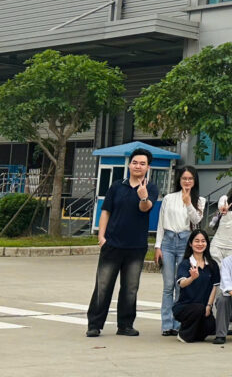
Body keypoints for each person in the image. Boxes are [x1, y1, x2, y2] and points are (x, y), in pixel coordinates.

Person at [86, 147, 159, 337]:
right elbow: (106, 211)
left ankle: (125, 325)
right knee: (103, 286)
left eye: (142, 163)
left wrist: (143, 196)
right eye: (135, 162)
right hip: (112, 245)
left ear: (148, 167)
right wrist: (101, 237)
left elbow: (145, 208)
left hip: (136, 247)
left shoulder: (151, 188)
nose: (138, 166)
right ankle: (94, 325)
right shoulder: (117, 186)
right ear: (129, 165)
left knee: (130, 288)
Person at [155, 164, 205, 336]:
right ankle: (166, 324)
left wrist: (188, 203)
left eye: (190, 178)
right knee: (168, 285)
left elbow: (196, 220)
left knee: (181, 283)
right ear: (179, 180)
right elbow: (161, 223)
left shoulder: (199, 200)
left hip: (185, 242)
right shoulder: (169, 198)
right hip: (168, 241)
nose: (187, 181)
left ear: (195, 181)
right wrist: (158, 246)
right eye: (184, 178)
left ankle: (178, 323)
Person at [172, 228, 219, 343]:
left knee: (211, 326)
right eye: (196, 241)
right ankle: (184, 334)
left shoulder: (212, 264)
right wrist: (192, 278)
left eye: (203, 241)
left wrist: (209, 306)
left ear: (207, 243)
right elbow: (182, 284)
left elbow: (214, 287)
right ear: (190, 243)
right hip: (185, 307)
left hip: (204, 307)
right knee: (198, 309)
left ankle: (193, 333)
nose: (200, 244)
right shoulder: (185, 264)